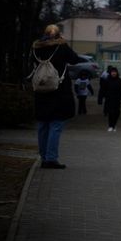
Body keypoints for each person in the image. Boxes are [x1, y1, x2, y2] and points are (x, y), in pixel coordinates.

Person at [31, 24, 84, 169]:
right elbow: (74, 59)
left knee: (42, 125)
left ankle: (43, 157)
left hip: (41, 90)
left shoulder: (36, 47)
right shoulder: (61, 47)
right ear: (58, 34)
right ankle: (51, 158)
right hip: (58, 91)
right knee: (56, 125)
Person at [97, 66, 121, 132]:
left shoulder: (120, 81)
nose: (113, 73)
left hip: (117, 100)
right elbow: (102, 90)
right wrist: (100, 99)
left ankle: (114, 125)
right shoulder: (106, 81)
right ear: (110, 73)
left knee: (116, 113)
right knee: (110, 113)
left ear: (117, 73)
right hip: (109, 99)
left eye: (115, 72)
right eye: (112, 72)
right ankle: (110, 126)